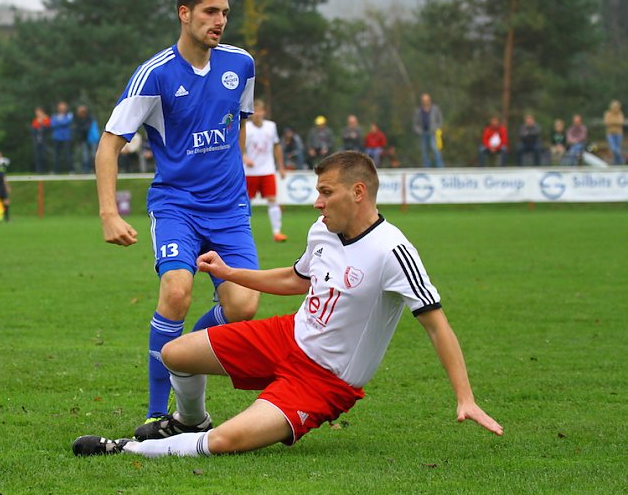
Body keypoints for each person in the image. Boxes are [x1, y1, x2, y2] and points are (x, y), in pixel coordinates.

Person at [73, 151, 503, 457]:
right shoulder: (323, 230)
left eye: (326, 192)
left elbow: (437, 325)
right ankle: (190, 420)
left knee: (225, 442)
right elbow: (295, 279)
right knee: (175, 354)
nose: (317, 202)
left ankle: (125, 449)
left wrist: (465, 398)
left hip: (324, 381)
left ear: (358, 192)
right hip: (287, 336)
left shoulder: (393, 251)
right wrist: (229, 273)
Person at [94, 0, 260, 427]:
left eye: (224, 12)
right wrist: (109, 213)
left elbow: (238, 123)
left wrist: (234, 180)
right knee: (176, 292)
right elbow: (109, 145)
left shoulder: (241, 64)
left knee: (244, 307)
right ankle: (155, 413)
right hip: (177, 206)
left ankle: (181, 350)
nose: (219, 20)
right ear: (184, 14)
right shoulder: (155, 74)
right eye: (210, 11)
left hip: (228, 208)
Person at [243, 99, 287, 242]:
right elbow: (238, 145)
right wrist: (244, 157)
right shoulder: (246, 127)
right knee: (246, 202)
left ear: (264, 112)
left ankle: (277, 232)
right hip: (250, 171)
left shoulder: (271, 126)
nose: (257, 114)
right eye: (254, 111)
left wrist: (281, 167)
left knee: (272, 199)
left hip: (267, 169)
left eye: (259, 111)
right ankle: (245, 233)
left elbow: (277, 146)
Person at [412, 93, 444, 168]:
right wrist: (419, 131)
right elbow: (415, 124)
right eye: (424, 100)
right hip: (423, 133)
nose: (425, 102)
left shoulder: (435, 109)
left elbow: (440, 120)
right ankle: (427, 168)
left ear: (429, 100)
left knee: (435, 149)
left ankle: (440, 167)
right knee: (424, 151)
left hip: (433, 133)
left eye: (426, 100)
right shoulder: (418, 111)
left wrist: (437, 128)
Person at [74, 105, 100, 174]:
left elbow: (85, 128)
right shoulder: (78, 119)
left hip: (91, 139)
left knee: (93, 154)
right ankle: (86, 170)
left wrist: (81, 130)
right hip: (83, 139)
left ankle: (95, 169)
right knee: (85, 155)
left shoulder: (89, 118)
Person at [51, 101, 74, 173]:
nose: (62, 109)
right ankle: (56, 171)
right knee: (56, 155)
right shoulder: (54, 116)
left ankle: (71, 170)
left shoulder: (69, 115)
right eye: (60, 108)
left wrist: (59, 122)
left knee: (68, 154)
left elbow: (67, 122)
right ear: (58, 108)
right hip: (57, 137)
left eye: (63, 108)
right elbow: (53, 124)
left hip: (66, 137)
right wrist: (62, 122)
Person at [31, 107, 51, 174]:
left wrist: (42, 123)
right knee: (37, 156)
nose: (37, 114)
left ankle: (45, 170)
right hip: (37, 140)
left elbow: (48, 129)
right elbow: (33, 130)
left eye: (39, 112)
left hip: (44, 140)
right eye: (36, 112)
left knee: (44, 155)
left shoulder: (46, 119)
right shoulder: (35, 120)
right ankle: (38, 170)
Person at [603, 100, 624, 165]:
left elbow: (621, 122)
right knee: (614, 149)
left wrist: (612, 122)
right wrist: (615, 122)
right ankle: (621, 161)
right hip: (610, 134)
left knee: (617, 150)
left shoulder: (620, 114)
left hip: (619, 134)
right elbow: (606, 122)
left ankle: (616, 164)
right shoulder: (608, 113)